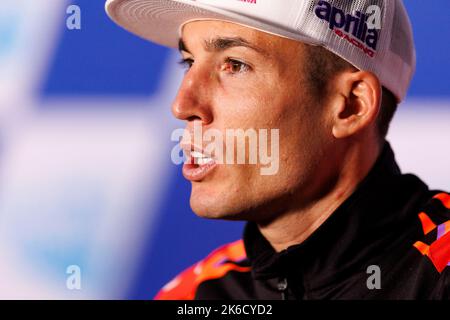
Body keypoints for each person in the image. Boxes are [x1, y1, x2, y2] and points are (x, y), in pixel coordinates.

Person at [106, 0, 450, 299]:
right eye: (189, 61)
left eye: (235, 64)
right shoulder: (198, 293)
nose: (182, 105)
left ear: (351, 105)